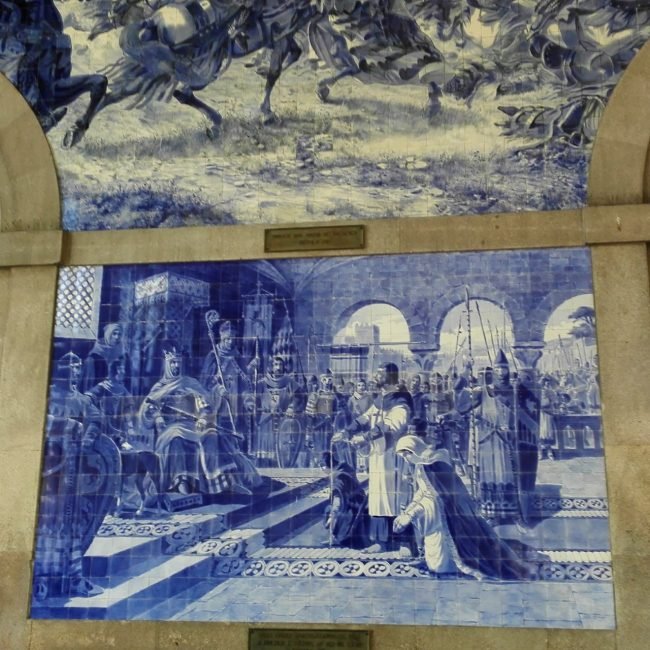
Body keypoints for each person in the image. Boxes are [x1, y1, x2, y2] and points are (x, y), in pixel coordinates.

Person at [33, 352, 118, 599]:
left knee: (69, 526)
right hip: (45, 476)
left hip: (70, 478)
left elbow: (96, 420)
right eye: (70, 365)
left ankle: (70, 579)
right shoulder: (48, 394)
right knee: (43, 524)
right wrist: (71, 426)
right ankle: (39, 581)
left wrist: (87, 438)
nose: (75, 370)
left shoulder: (81, 399)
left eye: (78, 366)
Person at [394, 435, 532, 580]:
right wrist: (407, 512)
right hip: (436, 517)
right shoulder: (421, 466)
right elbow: (422, 492)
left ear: (414, 450)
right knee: (436, 563)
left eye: (407, 455)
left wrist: (410, 515)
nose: (406, 460)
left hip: (448, 516)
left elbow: (435, 498)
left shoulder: (433, 465)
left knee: (444, 564)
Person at [139, 343, 255, 496]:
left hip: (194, 424)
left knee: (212, 435)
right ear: (167, 364)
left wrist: (203, 418)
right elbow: (150, 409)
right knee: (177, 440)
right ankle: (182, 481)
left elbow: (204, 404)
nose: (176, 366)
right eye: (173, 363)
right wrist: (157, 417)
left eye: (178, 363)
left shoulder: (189, 383)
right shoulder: (159, 388)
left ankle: (226, 482)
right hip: (171, 428)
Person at [455, 349, 540, 525]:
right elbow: (462, 407)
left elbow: (526, 413)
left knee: (510, 477)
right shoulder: (483, 391)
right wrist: (466, 371)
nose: (501, 373)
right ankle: (492, 514)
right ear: (493, 372)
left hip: (507, 442)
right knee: (489, 477)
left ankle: (515, 514)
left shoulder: (514, 391)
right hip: (487, 442)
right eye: (498, 369)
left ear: (508, 371)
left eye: (504, 369)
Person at [336, 362, 413, 554]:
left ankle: (405, 543)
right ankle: (381, 542)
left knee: (398, 498)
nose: (376, 377)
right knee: (379, 498)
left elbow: (392, 424)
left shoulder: (401, 400)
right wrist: (347, 431)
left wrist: (365, 437)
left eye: (380, 374)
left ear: (391, 377)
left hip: (395, 457)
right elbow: (366, 417)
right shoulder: (381, 398)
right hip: (378, 456)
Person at [246, 356, 305, 467]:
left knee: (282, 449)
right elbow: (253, 396)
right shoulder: (262, 383)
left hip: (283, 419)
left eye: (280, 365)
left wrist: (291, 407)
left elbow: (299, 396)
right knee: (266, 448)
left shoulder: (289, 382)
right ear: (271, 367)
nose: (278, 367)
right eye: (275, 365)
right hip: (266, 419)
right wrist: (251, 404)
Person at [82, 322, 129, 393]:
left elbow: (127, 376)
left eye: (119, 334)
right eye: (114, 334)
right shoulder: (95, 354)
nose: (117, 337)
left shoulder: (122, 353)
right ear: (108, 334)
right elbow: (88, 380)